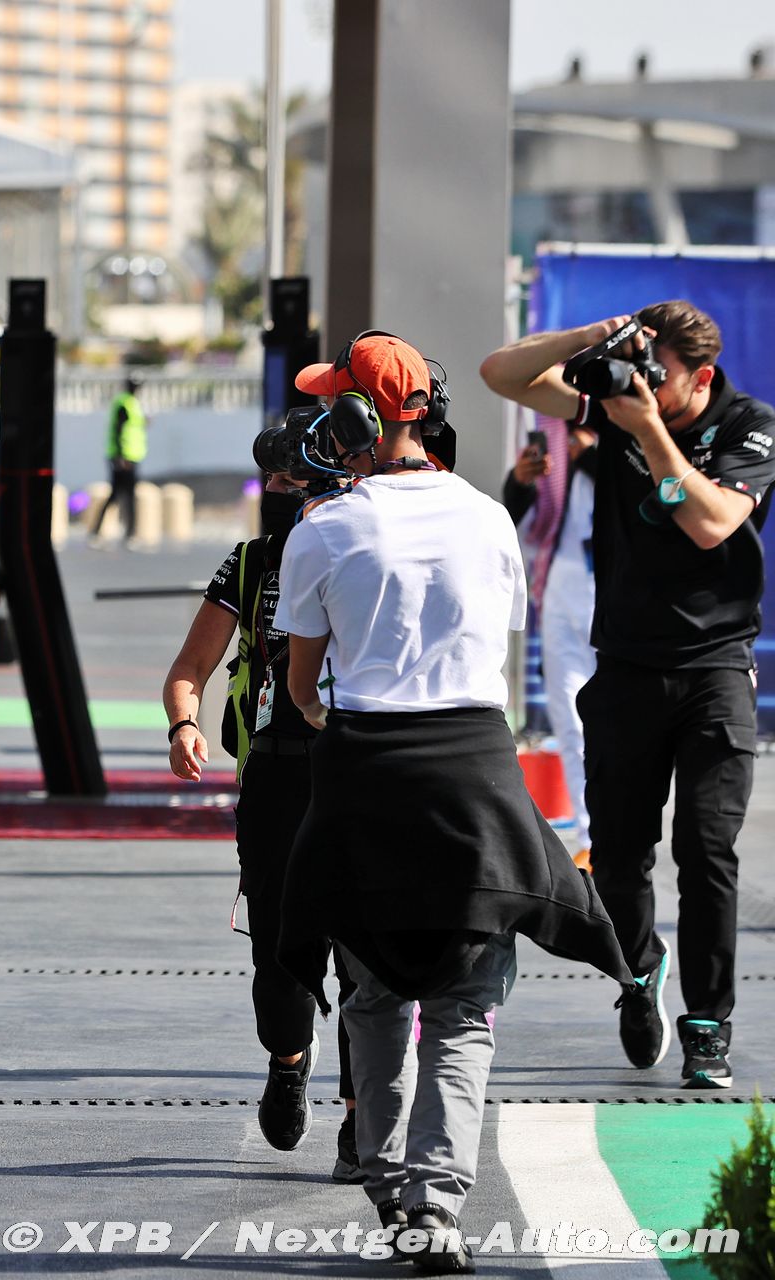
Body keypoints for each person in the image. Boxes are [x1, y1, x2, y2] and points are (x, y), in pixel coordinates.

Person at [276, 333, 629, 1271]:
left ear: (353, 421)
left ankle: (389, 1183)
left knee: (375, 993)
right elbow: (495, 651)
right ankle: (435, 1209)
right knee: (466, 1008)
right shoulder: (488, 518)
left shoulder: (323, 528)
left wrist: (333, 709)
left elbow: (303, 688)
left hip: (368, 775)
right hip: (476, 773)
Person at [482, 301, 775, 1090]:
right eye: (641, 367)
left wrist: (646, 428)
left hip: (715, 669)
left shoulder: (749, 426)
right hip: (626, 667)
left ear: (702, 378)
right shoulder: (617, 406)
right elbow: (500, 373)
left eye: (660, 374)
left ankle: (708, 1022)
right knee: (616, 856)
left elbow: (712, 524)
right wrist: (593, 340)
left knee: (707, 851)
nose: (644, 383)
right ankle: (639, 971)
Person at [161, 470, 358, 1183]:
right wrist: (184, 724)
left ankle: (361, 1115)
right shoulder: (249, 563)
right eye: (271, 477)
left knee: (365, 955)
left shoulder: (373, 543)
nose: (282, 490)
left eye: (295, 477)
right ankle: (288, 1059)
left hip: (363, 770)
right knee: (278, 954)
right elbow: (190, 667)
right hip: (275, 775)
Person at [502, 415, 598, 867]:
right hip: (562, 584)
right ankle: (590, 836)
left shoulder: (640, 420)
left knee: (619, 724)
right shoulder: (555, 430)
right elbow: (523, 514)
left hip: (620, 590)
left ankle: (621, 833)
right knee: (571, 720)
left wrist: (592, 455)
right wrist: (522, 481)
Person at [89, 373, 147, 547]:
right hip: (124, 458)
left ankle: (126, 533)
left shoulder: (132, 403)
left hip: (131, 456)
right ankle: (126, 534)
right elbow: (118, 430)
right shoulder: (124, 404)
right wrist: (121, 457)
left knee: (124, 495)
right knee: (121, 495)